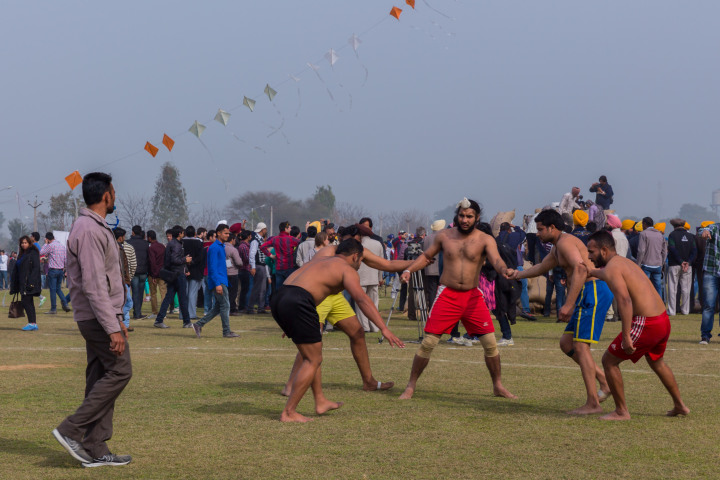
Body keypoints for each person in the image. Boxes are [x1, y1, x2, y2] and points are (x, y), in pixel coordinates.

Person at [271, 238, 405, 423]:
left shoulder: (320, 260)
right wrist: (384, 328)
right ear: (356, 257)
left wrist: (291, 320)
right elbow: (362, 300)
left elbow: (303, 286)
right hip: (298, 301)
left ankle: (320, 401)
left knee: (313, 354)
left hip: (281, 295)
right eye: (361, 262)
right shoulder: (346, 269)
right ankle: (288, 412)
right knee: (313, 359)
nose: (360, 266)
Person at [398, 198, 516, 400]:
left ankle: (498, 385)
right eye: (462, 215)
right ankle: (410, 386)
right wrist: (409, 269)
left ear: (477, 218)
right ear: (456, 215)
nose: (465, 220)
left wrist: (504, 269)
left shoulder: (485, 239)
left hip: (472, 296)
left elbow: (496, 260)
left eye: (469, 216)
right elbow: (426, 257)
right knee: (428, 343)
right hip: (447, 294)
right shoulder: (444, 236)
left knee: (490, 343)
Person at [52, 172, 132, 467]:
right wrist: (112, 327)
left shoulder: (96, 226)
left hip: (103, 315)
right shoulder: (87, 228)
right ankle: (69, 429)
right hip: (96, 318)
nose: (116, 195)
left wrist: (118, 317)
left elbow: (108, 281)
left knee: (100, 376)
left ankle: (96, 448)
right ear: (106, 195)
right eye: (114, 190)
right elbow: (95, 285)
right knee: (121, 371)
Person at [509, 209, 612, 414]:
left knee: (581, 348)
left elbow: (581, 269)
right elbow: (540, 267)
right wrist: (517, 274)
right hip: (586, 292)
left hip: (593, 291)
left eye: (540, 229)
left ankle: (593, 403)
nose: (537, 233)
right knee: (567, 344)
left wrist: (568, 304)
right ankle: (604, 383)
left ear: (552, 228)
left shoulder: (565, 243)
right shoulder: (558, 247)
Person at [585, 230, 689, 420]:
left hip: (647, 322)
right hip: (662, 320)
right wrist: (591, 271)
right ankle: (680, 405)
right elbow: (605, 274)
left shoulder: (612, 268)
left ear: (605, 250)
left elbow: (624, 301)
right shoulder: (624, 262)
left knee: (609, 361)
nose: (589, 257)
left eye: (591, 252)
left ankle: (621, 411)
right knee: (657, 362)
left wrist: (626, 336)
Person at [192, 224, 239, 338]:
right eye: (225, 233)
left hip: (222, 279)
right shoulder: (214, 248)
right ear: (218, 233)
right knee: (225, 305)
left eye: (228, 233)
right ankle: (226, 331)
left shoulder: (221, 247)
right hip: (218, 280)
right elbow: (212, 268)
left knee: (218, 307)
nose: (227, 235)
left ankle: (198, 324)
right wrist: (217, 284)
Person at [154, 226, 192, 329]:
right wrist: (185, 260)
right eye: (182, 232)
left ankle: (159, 320)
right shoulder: (176, 245)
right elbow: (175, 260)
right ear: (180, 233)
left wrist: (185, 267)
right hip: (178, 275)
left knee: (168, 297)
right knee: (182, 298)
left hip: (172, 274)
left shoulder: (171, 244)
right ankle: (187, 321)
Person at [10, 236, 42, 331]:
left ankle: (32, 323)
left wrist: (31, 283)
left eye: (25, 242)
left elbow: (36, 268)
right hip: (22, 282)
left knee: (26, 302)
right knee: (28, 302)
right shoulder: (22, 254)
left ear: (29, 243)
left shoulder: (33, 253)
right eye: (22, 243)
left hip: (29, 283)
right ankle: (33, 323)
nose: (23, 244)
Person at [667, 219, 696, 316]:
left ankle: (672, 311)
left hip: (674, 264)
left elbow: (672, 248)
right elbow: (694, 251)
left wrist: (680, 261)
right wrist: (688, 262)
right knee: (686, 288)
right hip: (688, 266)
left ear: (674, 226)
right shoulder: (690, 236)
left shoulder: (672, 235)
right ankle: (685, 310)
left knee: (672, 288)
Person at [40, 232, 71, 314]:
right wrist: (66, 270)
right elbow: (66, 260)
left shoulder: (50, 245)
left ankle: (53, 309)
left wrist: (45, 244)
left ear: (47, 239)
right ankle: (65, 303)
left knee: (53, 290)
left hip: (53, 270)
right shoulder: (62, 246)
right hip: (61, 270)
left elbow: (41, 252)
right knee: (58, 289)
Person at [636, 217, 667, 297]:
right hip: (657, 265)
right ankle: (659, 306)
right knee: (658, 287)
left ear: (645, 224)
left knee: (645, 287)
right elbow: (664, 252)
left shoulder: (643, 234)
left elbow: (641, 251)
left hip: (646, 265)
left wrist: (638, 264)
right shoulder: (660, 234)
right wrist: (662, 263)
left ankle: (646, 306)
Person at [126, 226, 149, 320]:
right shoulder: (145, 243)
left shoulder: (128, 242)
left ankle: (136, 312)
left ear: (133, 232)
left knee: (135, 292)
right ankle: (138, 312)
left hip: (133, 271)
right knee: (140, 292)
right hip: (143, 271)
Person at [146, 230, 166, 320]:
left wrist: (153, 275)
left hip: (153, 274)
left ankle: (155, 312)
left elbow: (152, 262)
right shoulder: (162, 246)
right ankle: (163, 312)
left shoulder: (151, 248)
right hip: (162, 273)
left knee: (153, 294)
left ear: (149, 238)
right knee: (163, 293)